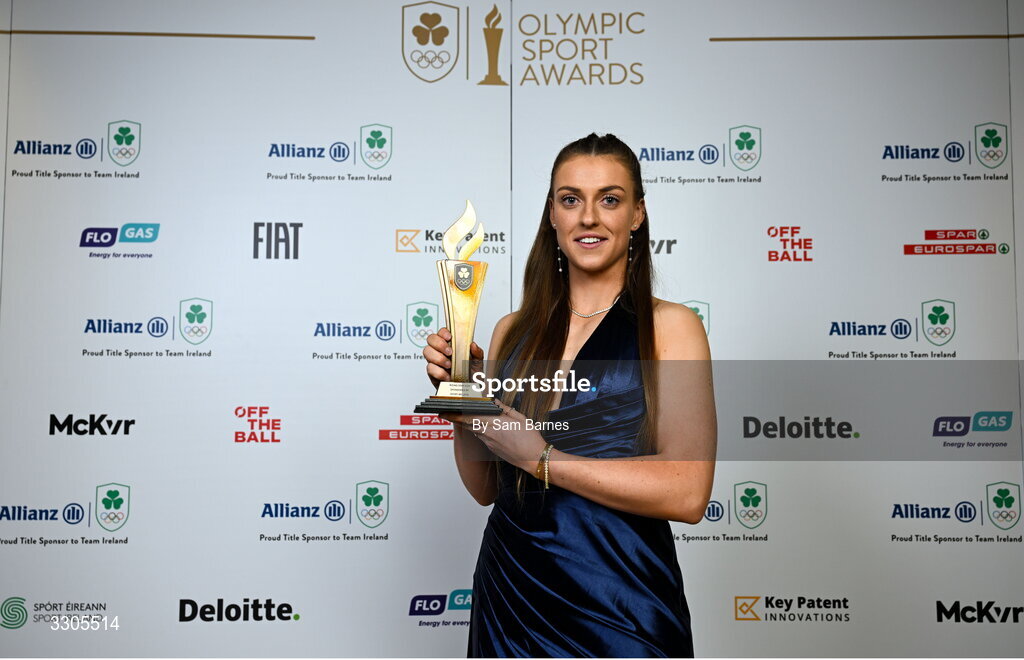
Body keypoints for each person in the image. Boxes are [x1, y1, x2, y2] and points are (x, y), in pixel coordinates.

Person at [423, 133, 717, 657]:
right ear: (552, 215)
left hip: (620, 604)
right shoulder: (512, 332)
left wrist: (543, 458)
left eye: (610, 199)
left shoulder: (671, 328)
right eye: (570, 199)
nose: (588, 217)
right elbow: (486, 488)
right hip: (512, 600)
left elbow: (689, 493)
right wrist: (463, 403)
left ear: (637, 214)